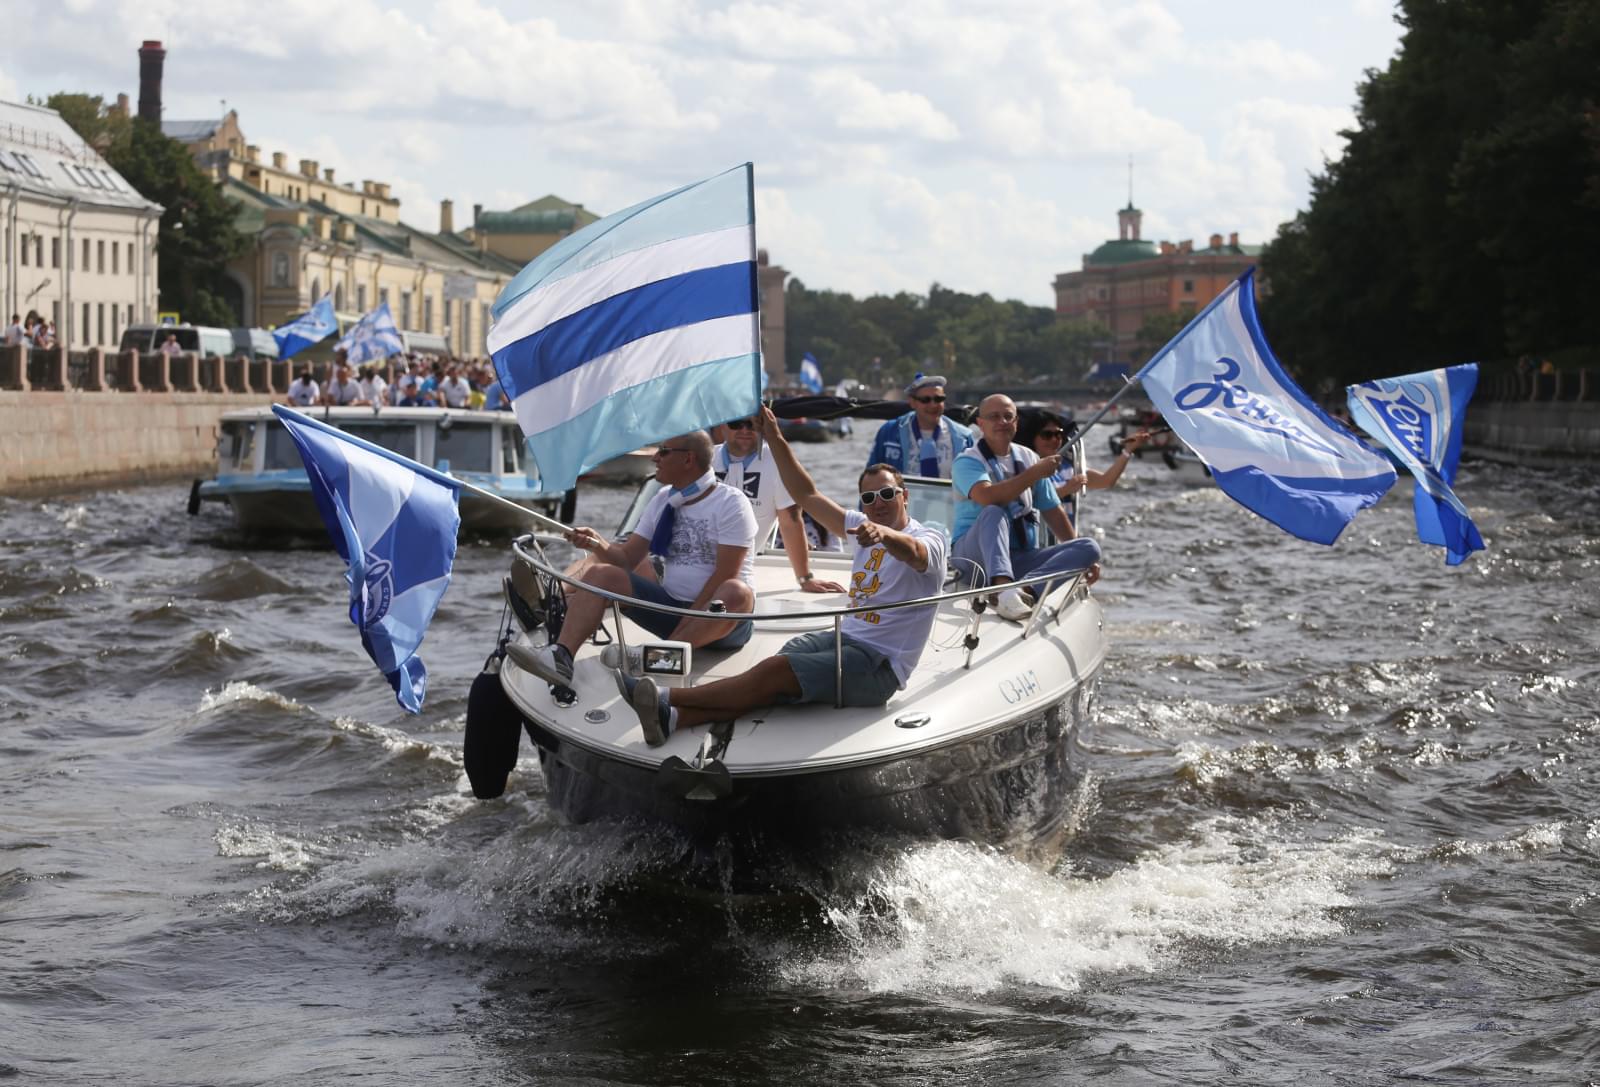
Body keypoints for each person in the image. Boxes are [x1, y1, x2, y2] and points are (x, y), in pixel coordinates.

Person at [622, 405, 948, 745]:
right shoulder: (858, 526)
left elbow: (915, 553)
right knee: (779, 662)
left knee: (776, 673)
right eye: (869, 497)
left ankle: (665, 698)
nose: (877, 503)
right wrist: (774, 436)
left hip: (880, 665)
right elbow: (806, 495)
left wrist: (884, 535)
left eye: (886, 494)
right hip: (843, 639)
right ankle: (675, 719)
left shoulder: (930, 539)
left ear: (904, 496)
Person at [512, 430, 757, 695]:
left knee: (736, 592)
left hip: (721, 621)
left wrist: (686, 624)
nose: (655, 458)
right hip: (674, 611)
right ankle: (560, 658)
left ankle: (657, 656)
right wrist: (597, 542)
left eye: (663, 451)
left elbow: (724, 575)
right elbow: (627, 559)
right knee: (599, 574)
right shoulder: (663, 499)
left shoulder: (731, 503)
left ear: (688, 459)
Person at [951, 394, 1101, 622]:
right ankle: (1002, 591)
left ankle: (1026, 592)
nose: (1001, 421)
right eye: (994, 417)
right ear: (980, 424)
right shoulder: (968, 461)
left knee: (1089, 546)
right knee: (993, 511)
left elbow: (1052, 511)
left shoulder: (1028, 457)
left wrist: (1082, 559)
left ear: (1016, 423)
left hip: (1019, 558)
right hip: (974, 560)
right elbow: (987, 496)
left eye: (1007, 417)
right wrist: (1034, 474)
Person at [712, 414, 845, 594]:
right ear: (722, 426)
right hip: (698, 563)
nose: (744, 430)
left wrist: (805, 578)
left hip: (741, 570)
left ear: (762, 426)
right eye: (736, 423)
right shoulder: (706, 458)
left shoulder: (778, 461)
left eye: (752, 424)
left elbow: (790, 521)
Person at [1022, 411, 1149, 524]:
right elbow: (1029, 501)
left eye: (1058, 434)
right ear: (1033, 438)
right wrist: (1066, 490)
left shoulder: (1067, 467)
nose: (1054, 439)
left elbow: (1106, 481)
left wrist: (1128, 451)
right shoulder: (1026, 467)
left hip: (1063, 538)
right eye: (1047, 435)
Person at [866, 374, 975, 478]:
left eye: (938, 399)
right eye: (925, 400)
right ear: (912, 402)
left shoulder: (964, 437)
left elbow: (974, 480)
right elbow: (871, 477)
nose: (933, 405)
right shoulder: (889, 432)